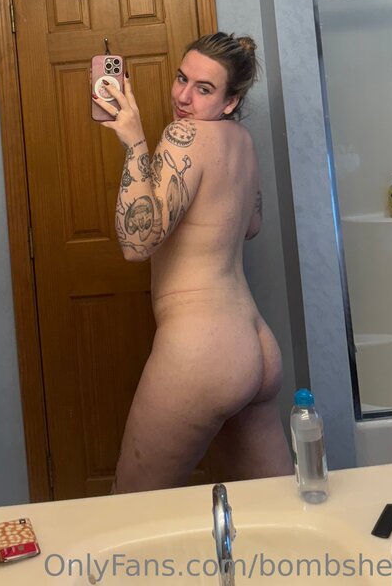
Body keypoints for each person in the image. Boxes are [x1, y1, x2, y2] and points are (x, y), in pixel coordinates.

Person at [93, 31, 292, 493]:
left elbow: (136, 244)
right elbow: (251, 224)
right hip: (256, 342)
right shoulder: (242, 140)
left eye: (204, 89)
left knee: (132, 507)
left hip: (203, 348)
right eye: (182, 79)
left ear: (230, 100)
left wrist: (135, 142)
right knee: (279, 506)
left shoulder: (183, 136)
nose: (183, 97)